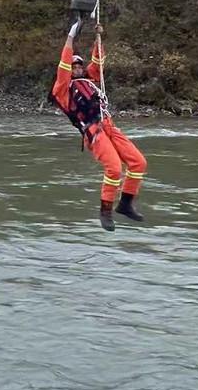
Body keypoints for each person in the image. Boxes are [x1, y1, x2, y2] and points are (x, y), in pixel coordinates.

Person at [50, 18, 147, 232]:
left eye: (79, 65)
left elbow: (98, 62)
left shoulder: (91, 79)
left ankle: (126, 204)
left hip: (109, 126)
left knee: (138, 163)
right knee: (114, 168)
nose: (76, 68)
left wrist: (98, 38)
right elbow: (63, 66)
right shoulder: (63, 90)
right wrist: (70, 37)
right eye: (73, 66)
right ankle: (105, 211)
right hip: (93, 131)